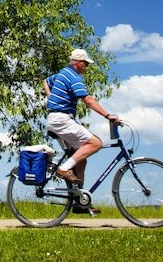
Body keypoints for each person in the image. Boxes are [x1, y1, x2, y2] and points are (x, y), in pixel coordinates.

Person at [43, 48, 118, 214]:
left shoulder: (62, 74)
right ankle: (63, 169)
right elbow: (88, 100)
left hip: (59, 119)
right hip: (61, 120)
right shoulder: (73, 77)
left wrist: (51, 98)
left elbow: (46, 81)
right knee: (95, 143)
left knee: (81, 159)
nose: (87, 67)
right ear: (77, 63)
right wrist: (108, 115)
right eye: (85, 64)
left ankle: (79, 202)